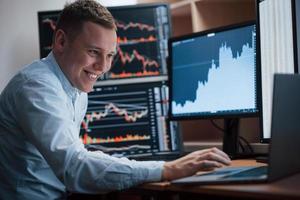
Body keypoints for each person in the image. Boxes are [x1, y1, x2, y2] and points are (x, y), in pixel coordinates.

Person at [0, 0, 231, 199]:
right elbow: (74, 166)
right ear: (61, 41)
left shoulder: (73, 87)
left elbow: (78, 155)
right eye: (93, 52)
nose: (103, 67)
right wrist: (166, 169)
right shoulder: (37, 87)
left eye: (110, 55)